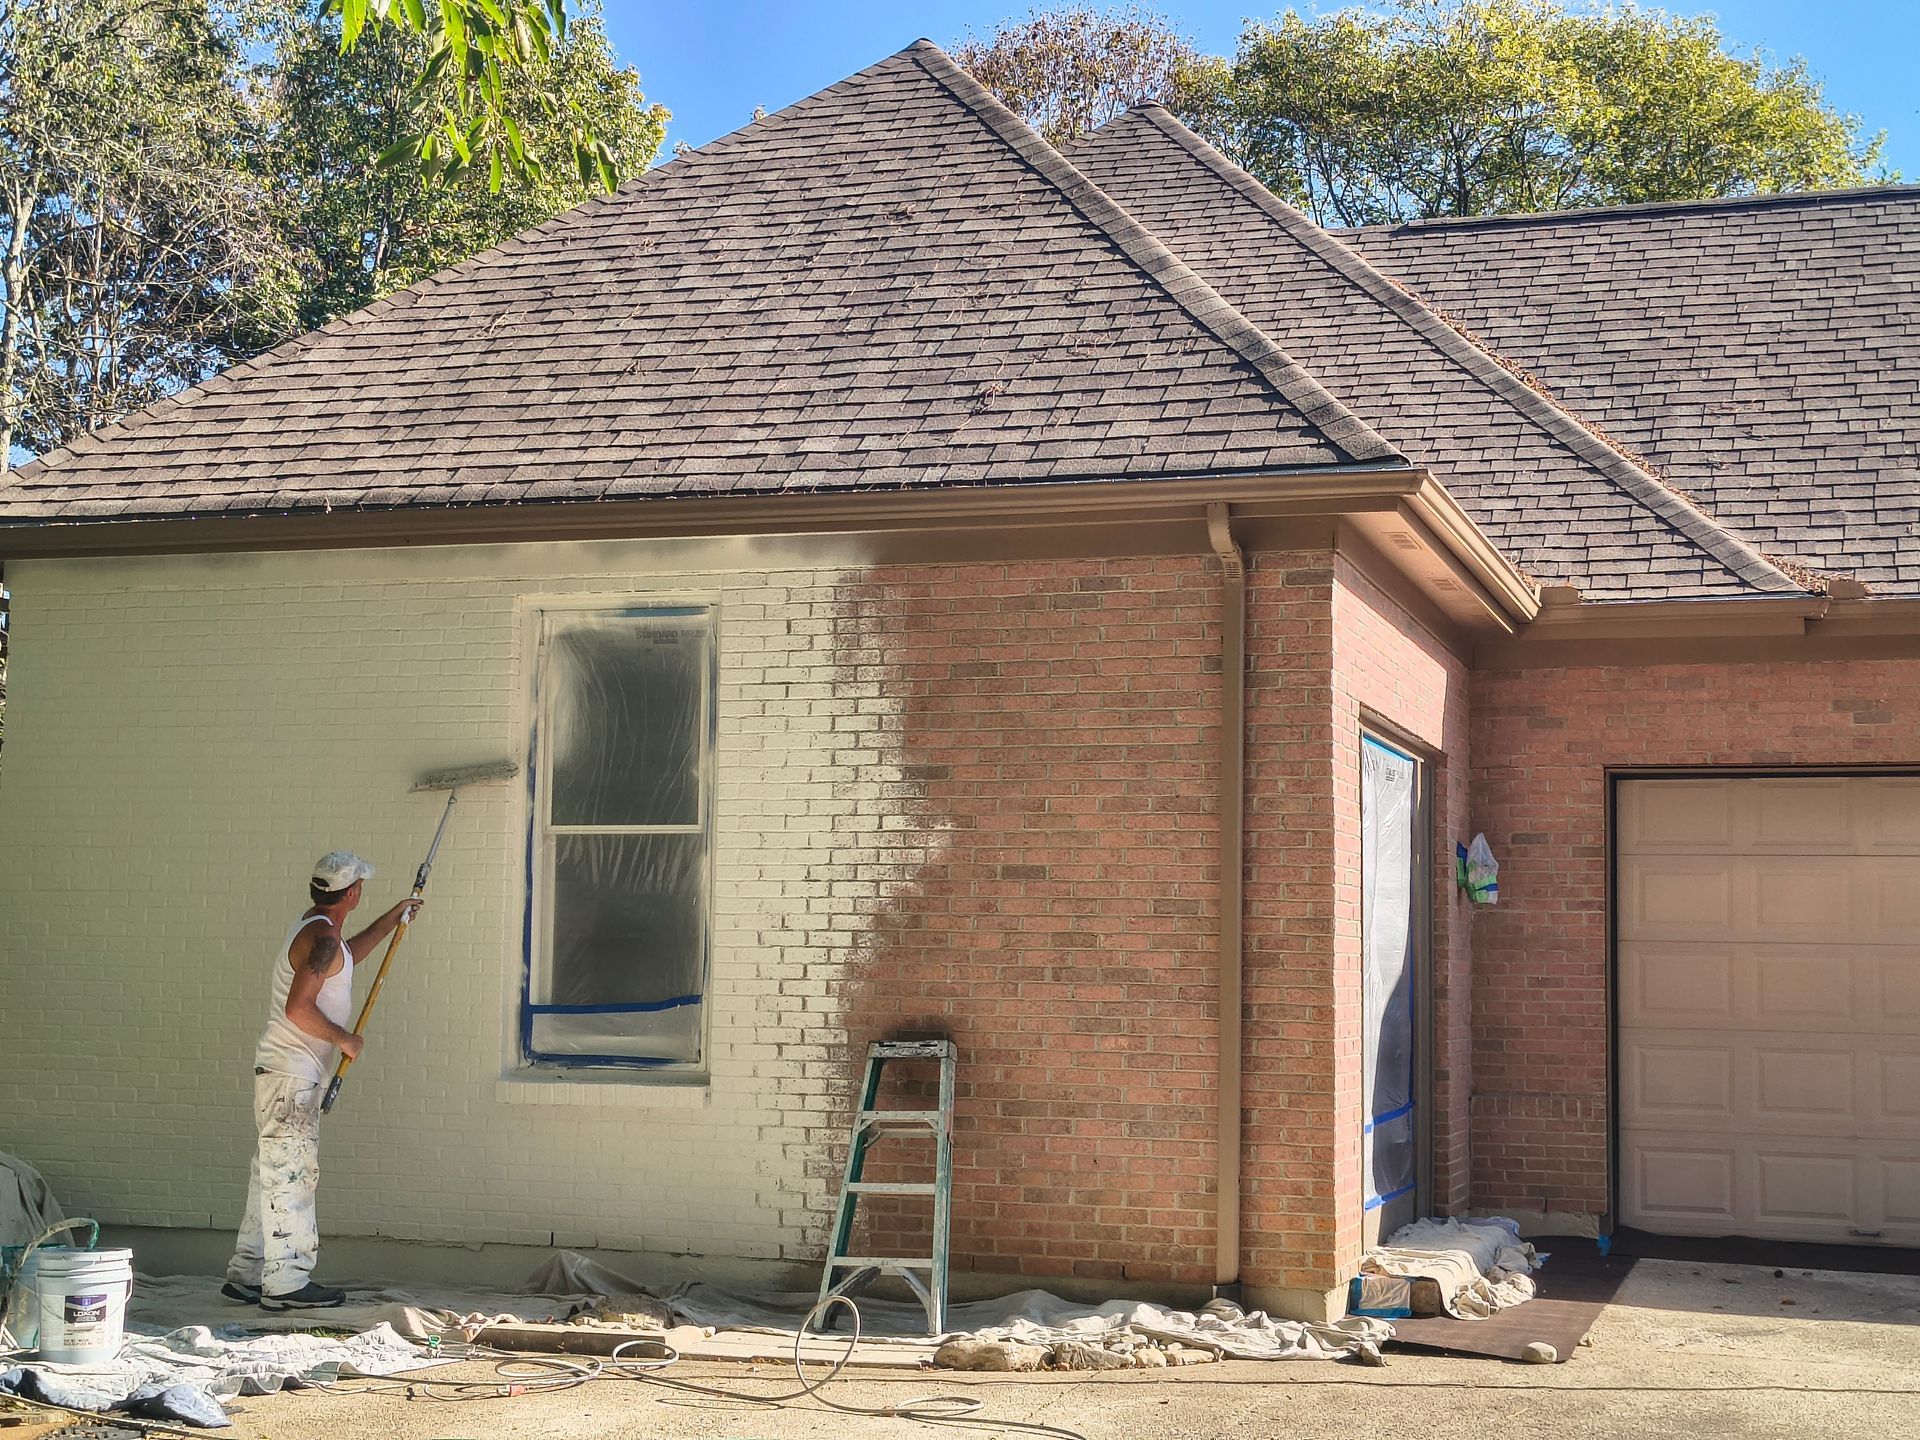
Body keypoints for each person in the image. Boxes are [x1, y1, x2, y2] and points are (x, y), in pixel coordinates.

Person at [222, 852, 420, 1310]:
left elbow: (345, 956)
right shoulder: (322, 939)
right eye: (360, 888)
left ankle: (247, 1273)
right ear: (350, 893)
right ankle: (287, 1282)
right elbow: (298, 1009)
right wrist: (344, 1039)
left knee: (269, 1172)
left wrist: (392, 919)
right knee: (292, 1172)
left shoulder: (318, 930)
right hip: (292, 1076)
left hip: (283, 1073)